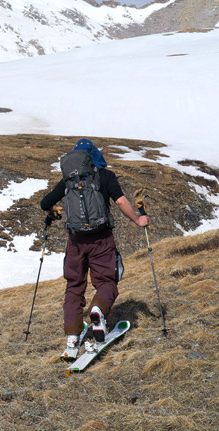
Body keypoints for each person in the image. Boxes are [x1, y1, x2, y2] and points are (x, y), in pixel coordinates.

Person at [40, 138, 148, 357]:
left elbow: (44, 203)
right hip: (101, 239)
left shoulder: (67, 181)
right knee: (107, 281)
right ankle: (98, 311)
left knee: (74, 286)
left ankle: (73, 334)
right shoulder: (105, 176)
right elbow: (119, 201)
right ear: (94, 156)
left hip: (76, 241)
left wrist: (54, 210)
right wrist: (138, 220)